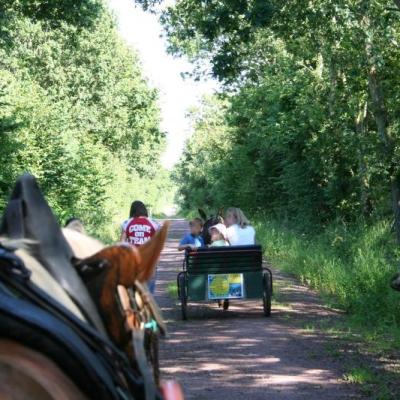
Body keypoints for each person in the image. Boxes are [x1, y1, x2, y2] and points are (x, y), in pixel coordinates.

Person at [121, 200, 160, 293]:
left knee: (132, 287)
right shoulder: (154, 223)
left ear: (132, 211)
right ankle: (148, 304)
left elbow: (122, 243)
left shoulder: (127, 223)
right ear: (144, 210)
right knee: (149, 290)